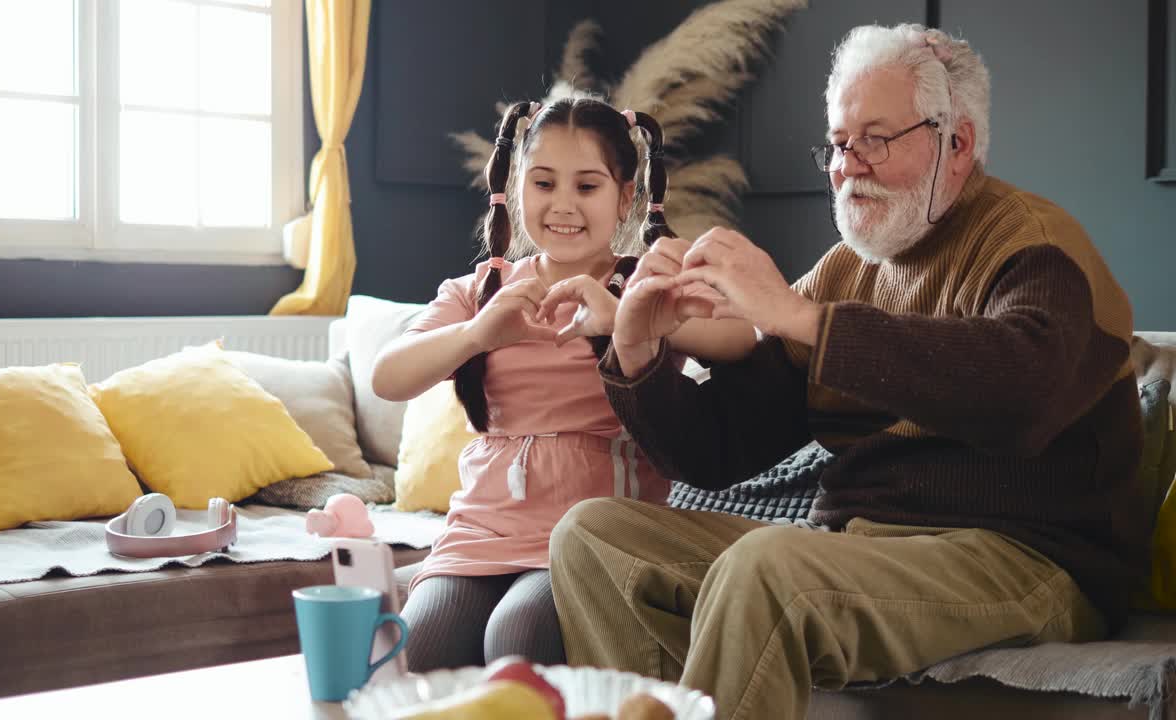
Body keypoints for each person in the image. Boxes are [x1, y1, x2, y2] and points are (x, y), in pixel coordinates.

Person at [550, 23, 1144, 719]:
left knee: (768, 570)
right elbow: (719, 451)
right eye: (837, 143)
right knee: (591, 538)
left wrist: (798, 318)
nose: (846, 165)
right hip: (864, 546)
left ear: (957, 144)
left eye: (875, 139)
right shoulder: (846, 268)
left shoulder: (1035, 245)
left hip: (1029, 558)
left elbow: (1022, 397)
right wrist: (639, 350)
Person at [371, 97, 755, 671]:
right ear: (516, 188)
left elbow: (740, 337)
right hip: (482, 529)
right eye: (544, 183)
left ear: (626, 198)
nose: (563, 205)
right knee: (413, 653)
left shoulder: (643, 285)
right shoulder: (481, 291)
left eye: (587, 187)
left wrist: (627, 318)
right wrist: (478, 334)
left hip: (588, 539)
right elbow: (387, 375)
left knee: (517, 635)